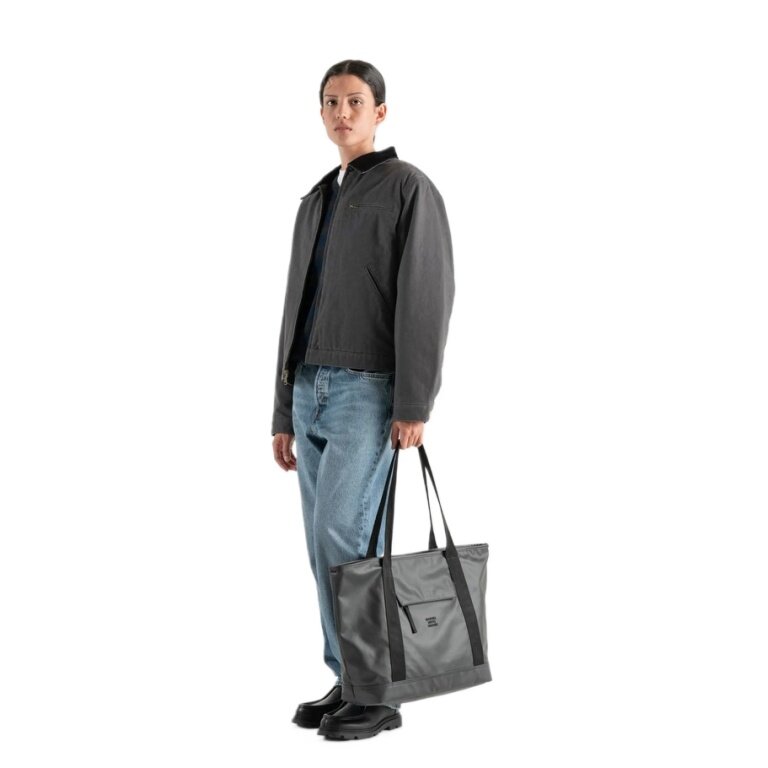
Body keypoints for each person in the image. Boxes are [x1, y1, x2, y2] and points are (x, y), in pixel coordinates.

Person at [271, 59, 455, 740]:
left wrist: (415, 401)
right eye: (330, 102)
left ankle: (376, 692)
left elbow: (427, 296)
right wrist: (282, 411)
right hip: (309, 388)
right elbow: (295, 307)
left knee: (347, 542)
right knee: (324, 546)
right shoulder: (317, 198)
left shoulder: (408, 188)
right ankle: (350, 678)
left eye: (354, 101)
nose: (341, 113)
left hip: (367, 390)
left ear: (380, 111)